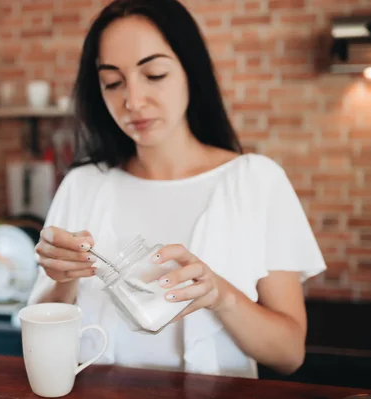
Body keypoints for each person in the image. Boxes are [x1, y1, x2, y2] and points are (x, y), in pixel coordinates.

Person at [27, 0, 326, 379]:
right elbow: (36, 329)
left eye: (154, 74)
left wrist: (220, 295)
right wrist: (61, 281)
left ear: (191, 72)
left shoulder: (256, 181)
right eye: (113, 83)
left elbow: (288, 354)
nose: (133, 101)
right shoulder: (83, 184)